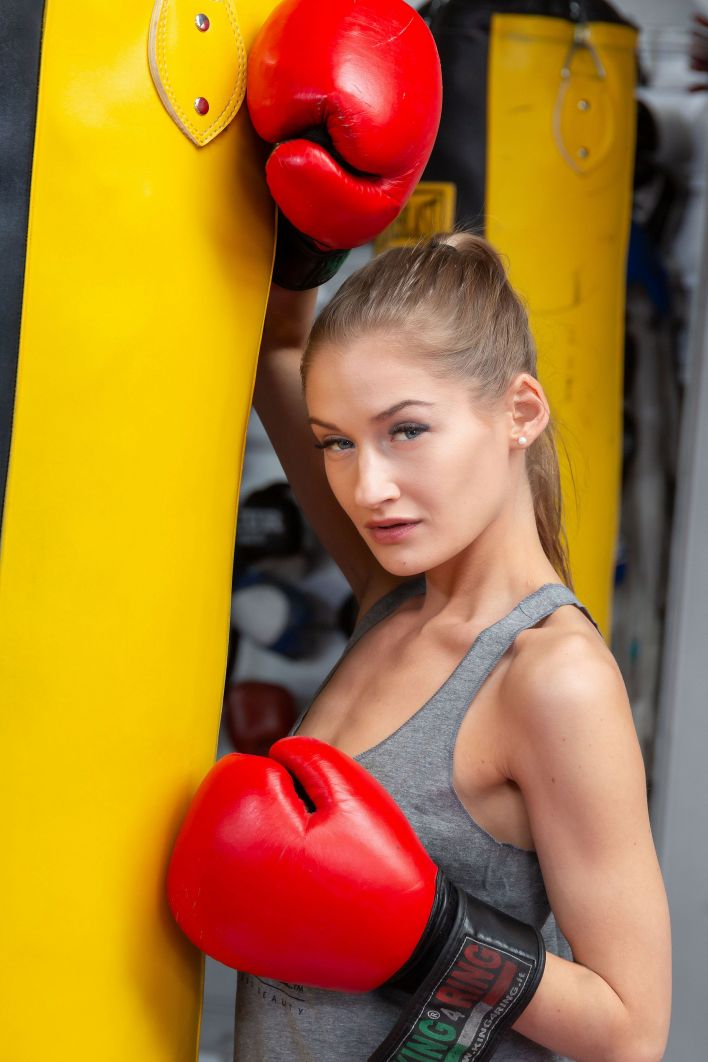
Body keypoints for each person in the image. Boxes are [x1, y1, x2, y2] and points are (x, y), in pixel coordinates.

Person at [232, 231, 671, 1061]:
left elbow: (631, 1028)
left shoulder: (550, 676)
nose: (369, 488)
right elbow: (276, 349)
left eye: (406, 430)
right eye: (336, 442)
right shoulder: (394, 595)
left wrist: (426, 932)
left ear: (521, 412)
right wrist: (307, 238)